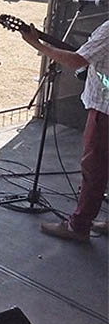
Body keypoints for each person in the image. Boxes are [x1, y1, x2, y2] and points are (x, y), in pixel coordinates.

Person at [19, 14, 109, 242]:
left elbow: (76, 61)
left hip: (105, 112)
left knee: (94, 171)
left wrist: (37, 44)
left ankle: (78, 227)